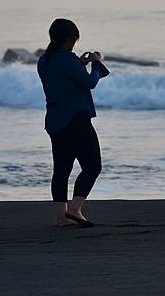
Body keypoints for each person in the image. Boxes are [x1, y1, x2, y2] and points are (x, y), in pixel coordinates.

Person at [37, 18, 110, 227]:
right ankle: (75, 209)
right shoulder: (67, 60)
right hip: (76, 120)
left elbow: (64, 76)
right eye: (74, 39)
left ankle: (61, 217)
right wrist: (96, 64)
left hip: (54, 122)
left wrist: (80, 63)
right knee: (93, 165)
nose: (75, 43)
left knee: (61, 169)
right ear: (70, 39)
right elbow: (89, 83)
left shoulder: (44, 60)